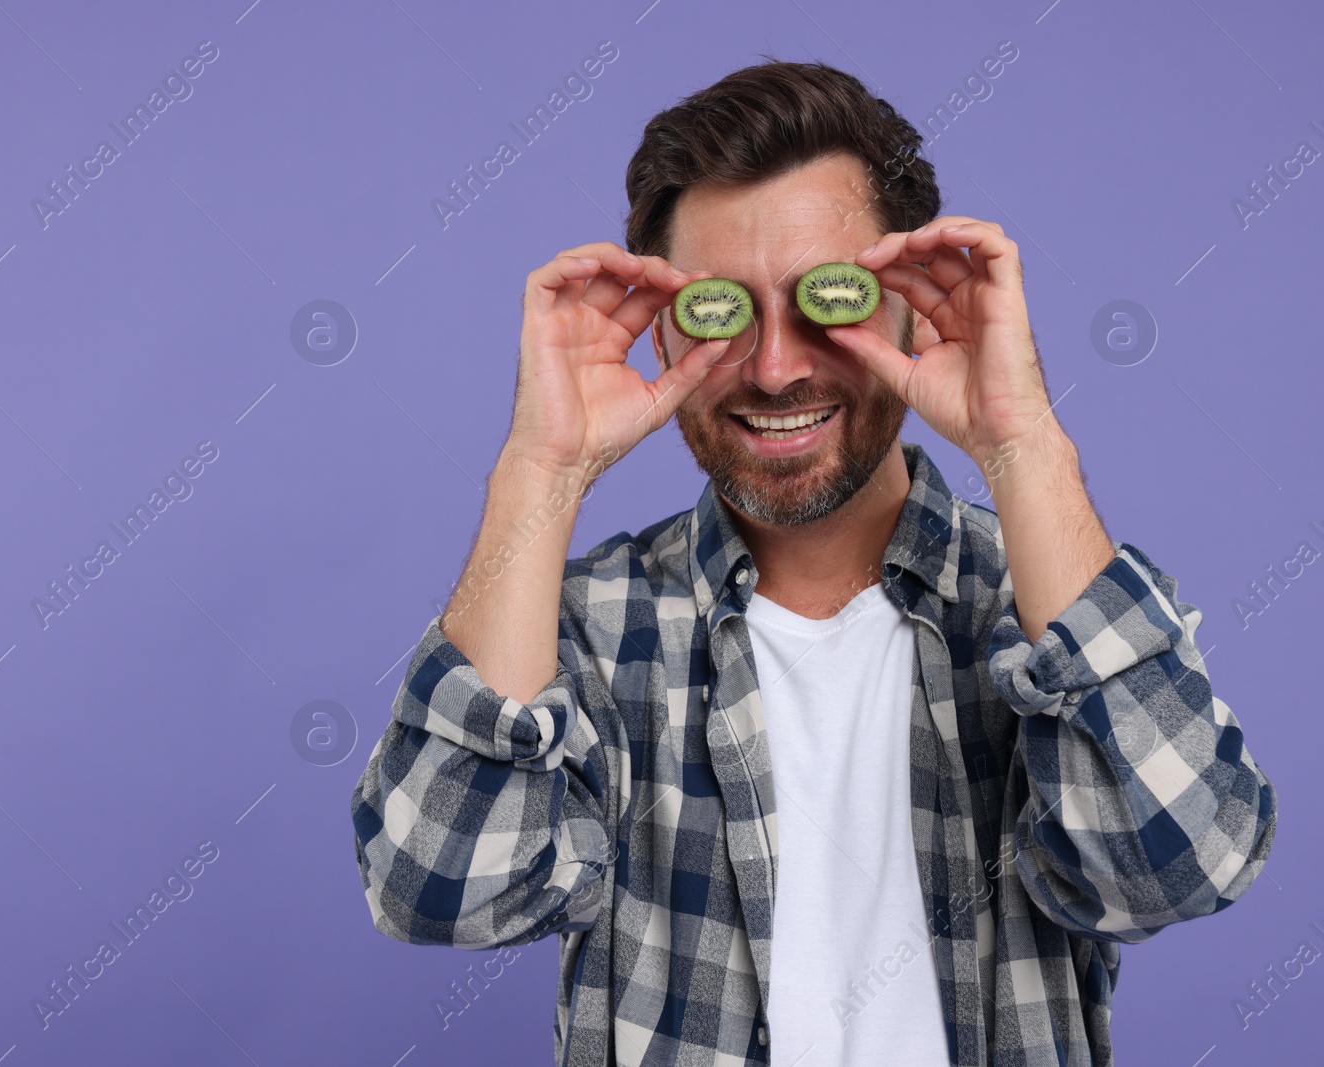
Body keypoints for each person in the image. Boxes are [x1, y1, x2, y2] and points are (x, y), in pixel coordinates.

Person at [349, 59, 1277, 1066]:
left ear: (912, 306)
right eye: (723, 306)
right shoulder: (578, 627)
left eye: (823, 299)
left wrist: (1022, 444)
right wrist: (540, 470)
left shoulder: (1052, 611)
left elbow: (1178, 866)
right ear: (664, 319)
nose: (777, 363)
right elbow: (436, 885)